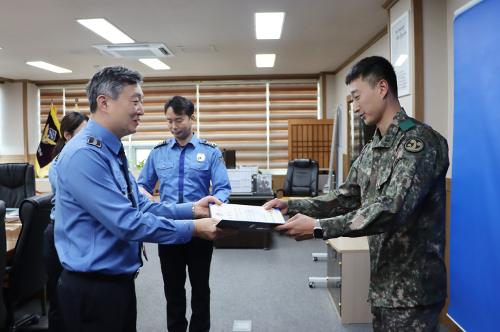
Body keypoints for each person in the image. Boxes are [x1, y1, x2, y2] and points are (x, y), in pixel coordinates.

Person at [264, 56, 449, 332]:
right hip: (383, 285)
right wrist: (290, 205)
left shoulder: (419, 143)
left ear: (382, 88)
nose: (355, 107)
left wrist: (317, 227)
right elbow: (345, 197)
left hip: (413, 292)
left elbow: (391, 209)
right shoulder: (373, 147)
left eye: (357, 96)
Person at [54, 66, 225, 332]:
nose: (142, 109)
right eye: (135, 101)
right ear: (104, 102)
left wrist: (193, 209)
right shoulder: (85, 155)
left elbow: (142, 204)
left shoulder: (111, 150)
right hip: (93, 290)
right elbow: (127, 222)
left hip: (116, 284)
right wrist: (193, 228)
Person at [138, 96, 231, 332]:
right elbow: (143, 185)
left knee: (200, 288)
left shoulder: (210, 152)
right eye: (169, 121)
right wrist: (144, 196)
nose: (173, 126)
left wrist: (217, 209)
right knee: (173, 289)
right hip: (168, 229)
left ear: (192, 118)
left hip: (200, 230)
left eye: (178, 120)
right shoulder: (158, 152)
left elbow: (222, 188)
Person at [45, 111, 88, 332]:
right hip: (59, 232)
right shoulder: (60, 164)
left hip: (76, 231)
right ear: (68, 136)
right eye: (83, 132)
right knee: (58, 294)